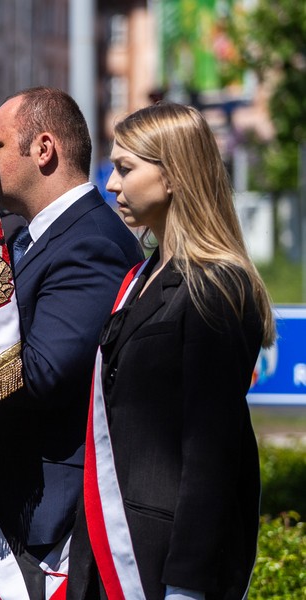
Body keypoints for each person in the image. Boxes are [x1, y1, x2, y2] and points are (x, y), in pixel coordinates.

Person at [66, 103, 273, 600]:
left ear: (174, 174)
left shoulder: (216, 287)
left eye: (126, 168)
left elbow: (211, 451)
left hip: (162, 562)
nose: (111, 185)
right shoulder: (141, 278)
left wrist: (187, 583)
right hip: (109, 547)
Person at [0, 87, 142, 599]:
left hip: (42, 526)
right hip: (2, 511)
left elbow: (44, 374)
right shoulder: (26, 237)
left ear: (43, 148)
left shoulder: (90, 241)